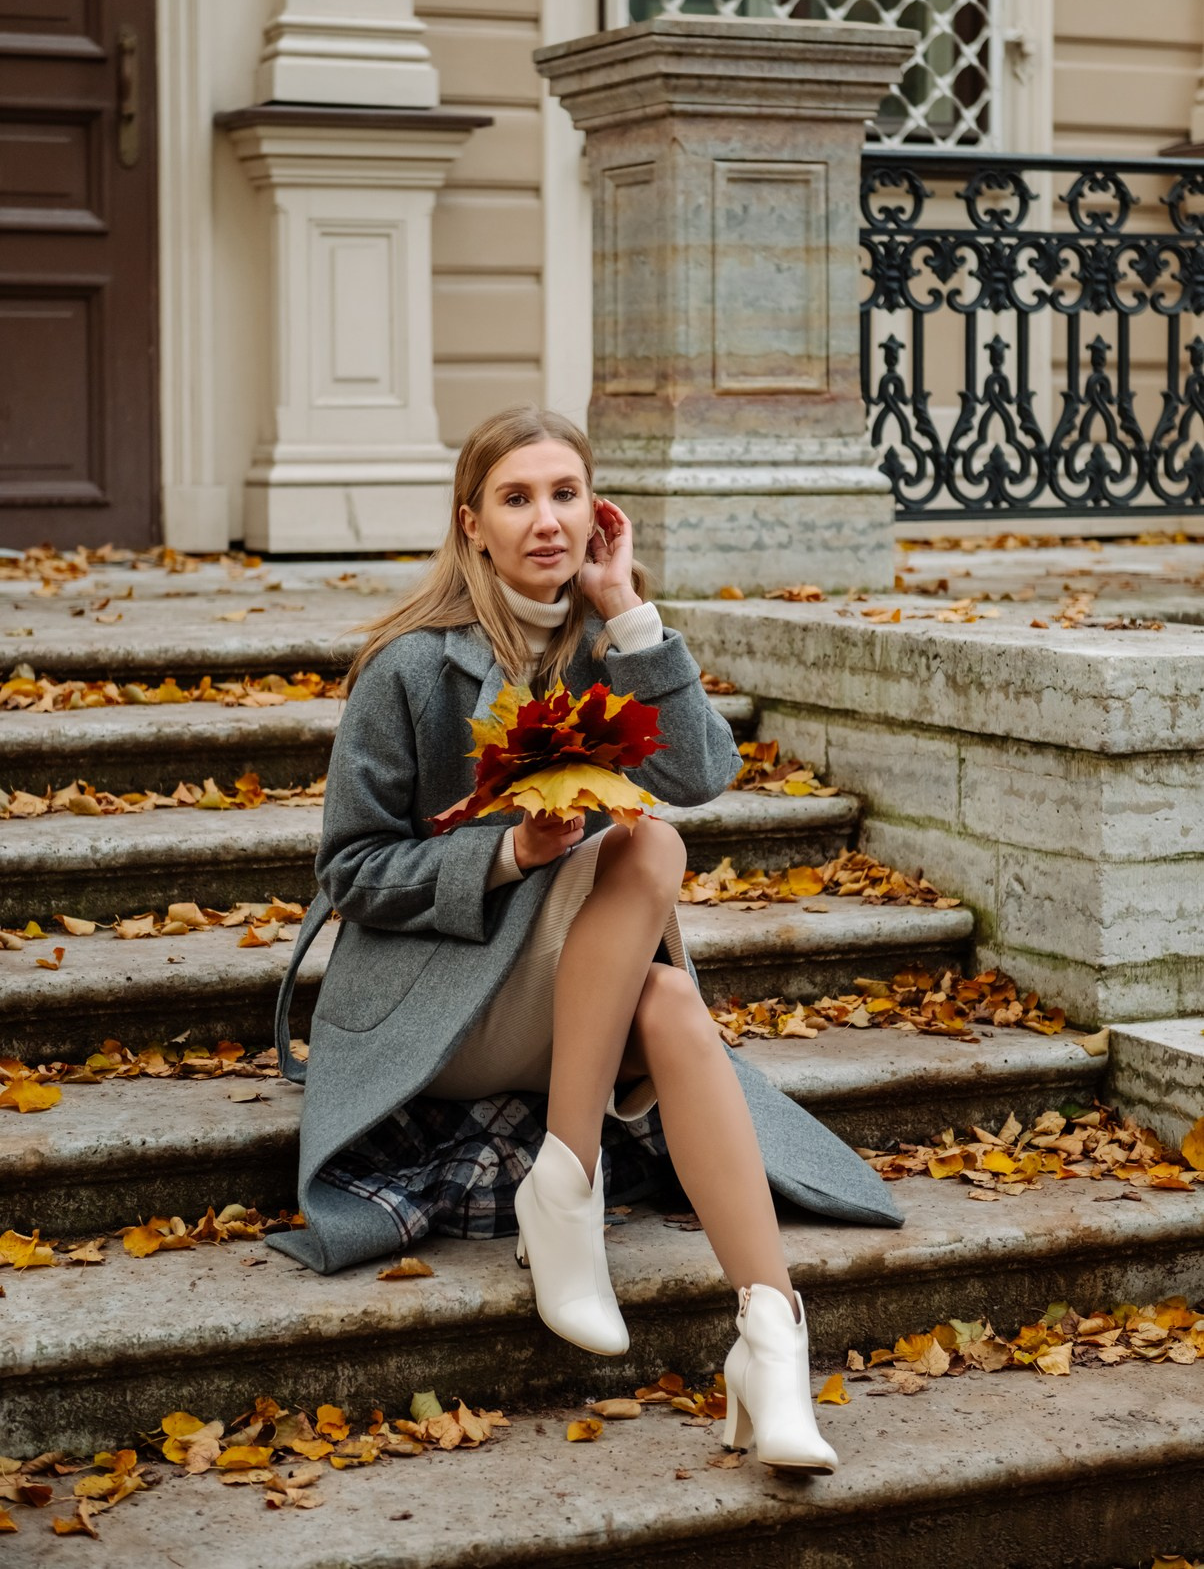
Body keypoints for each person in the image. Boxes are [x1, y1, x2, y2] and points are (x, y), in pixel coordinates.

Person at [268, 405, 901, 1472]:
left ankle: (768, 1336)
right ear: (470, 522)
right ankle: (563, 1189)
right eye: (516, 498)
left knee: (667, 989)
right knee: (649, 858)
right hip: (446, 1002)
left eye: (566, 494)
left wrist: (632, 611)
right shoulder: (411, 669)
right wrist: (510, 855)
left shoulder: (608, 647)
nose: (545, 520)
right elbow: (349, 872)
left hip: (581, 1004)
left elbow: (700, 774)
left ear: (596, 512)